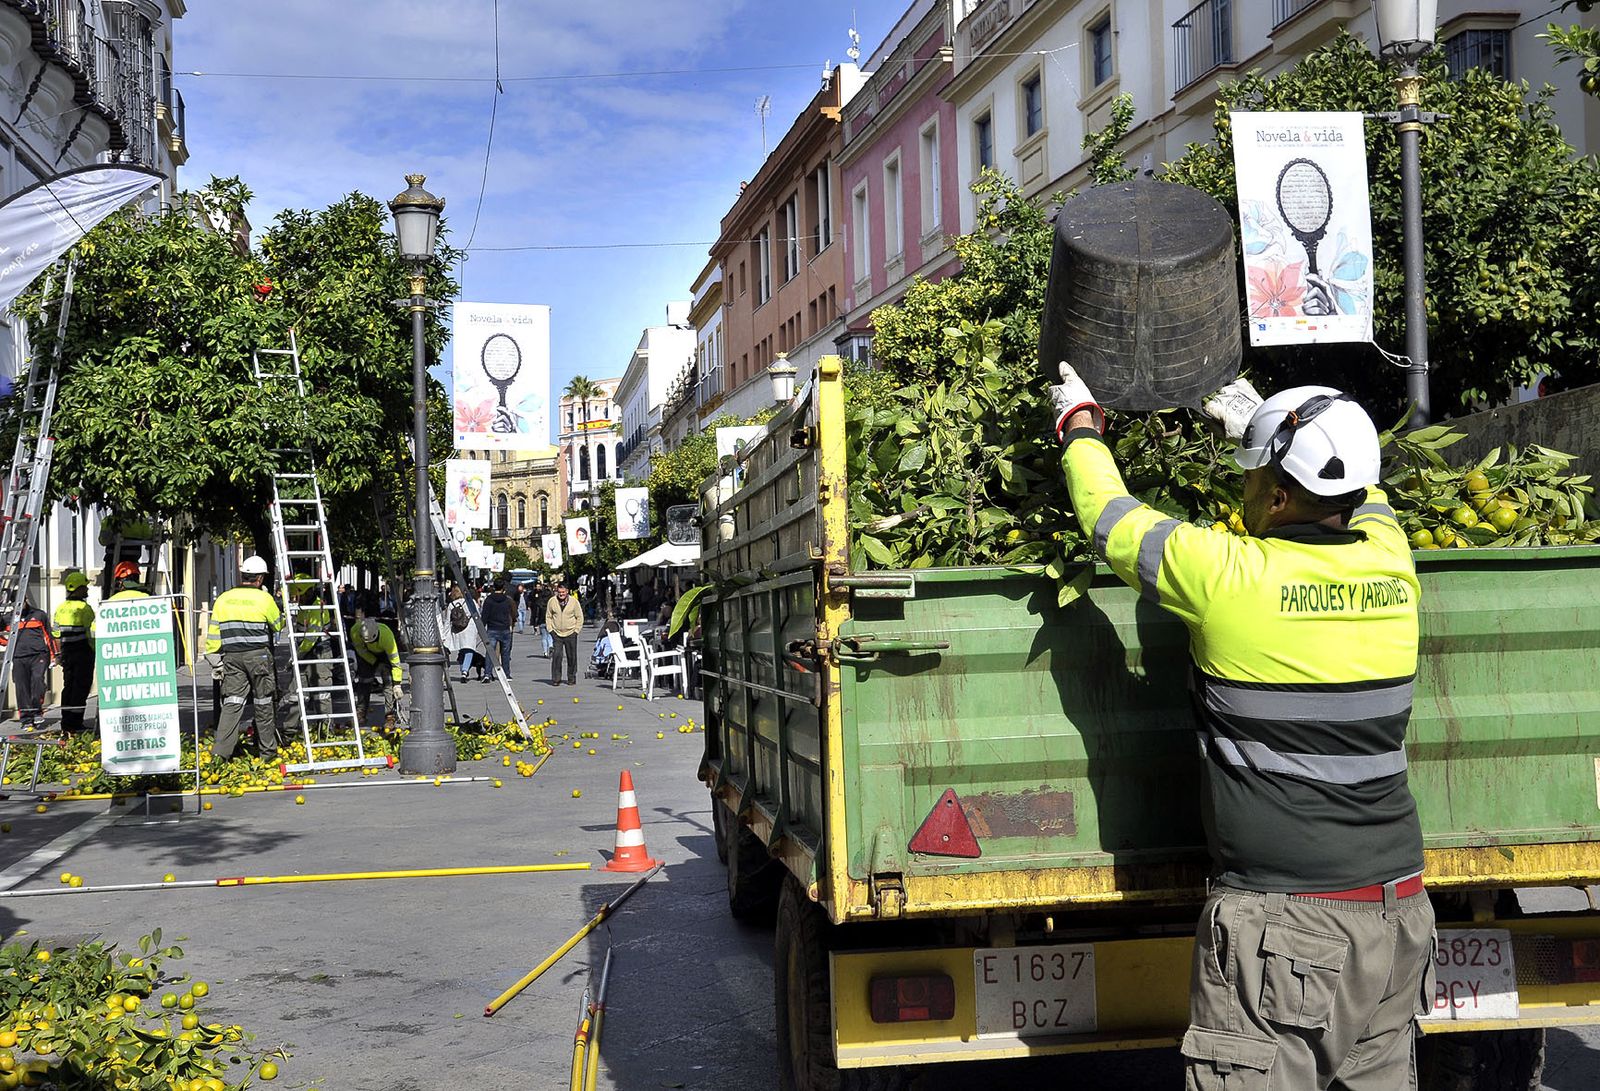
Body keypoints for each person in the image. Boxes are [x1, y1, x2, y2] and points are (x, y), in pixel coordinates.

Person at [1050, 366, 1432, 1089]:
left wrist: (1080, 427)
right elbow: (1368, 493)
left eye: (1253, 477)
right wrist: (1275, 423)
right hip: (1398, 917)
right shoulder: (1393, 562)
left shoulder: (1228, 576)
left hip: (1289, 933)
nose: (1243, 490)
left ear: (1281, 495)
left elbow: (1110, 515)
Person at [206, 555, 285, 760]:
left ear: (243, 576)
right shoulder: (264, 598)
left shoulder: (223, 599)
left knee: (232, 703)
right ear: (259, 579)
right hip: (258, 657)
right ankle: (267, 752)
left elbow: (214, 633)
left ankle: (221, 754)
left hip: (232, 658)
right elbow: (278, 625)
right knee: (263, 703)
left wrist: (215, 661)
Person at [52, 570, 95, 733]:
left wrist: (58, 654)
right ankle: (75, 723)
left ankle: (67, 721)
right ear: (77, 588)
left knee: (68, 686)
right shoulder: (85, 609)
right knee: (81, 687)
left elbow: (56, 634)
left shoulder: (60, 609)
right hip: (83, 653)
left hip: (67, 654)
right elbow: (91, 633)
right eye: (84, 587)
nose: (87, 590)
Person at [352, 618, 407, 729]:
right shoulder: (355, 632)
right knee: (364, 681)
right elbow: (361, 650)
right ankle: (360, 713)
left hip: (384, 654)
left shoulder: (387, 637)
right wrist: (375, 662)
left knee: (388, 683)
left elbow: (395, 663)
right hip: (366, 655)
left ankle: (390, 716)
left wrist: (397, 684)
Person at [545, 581, 584, 685]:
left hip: (571, 632)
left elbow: (579, 617)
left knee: (572, 657)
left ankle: (571, 677)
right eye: (559, 592)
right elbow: (548, 616)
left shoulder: (574, 602)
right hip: (556, 633)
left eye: (563, 592)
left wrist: (576, 630)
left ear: (567, 591)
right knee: (557, 656)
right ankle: (556, 679)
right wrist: (550, 630)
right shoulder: (552, 601)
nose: (561, 594)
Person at [479, 580, 515, 680]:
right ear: (503, 587)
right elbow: (512, 614)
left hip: (492, 629)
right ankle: (506, 674)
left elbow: (485, 615)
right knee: (506, 654)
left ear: (494, 587)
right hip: (505, 628)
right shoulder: (507, 600)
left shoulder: (489, 600)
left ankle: (487, 673)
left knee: (490, 652)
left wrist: (482, 628)